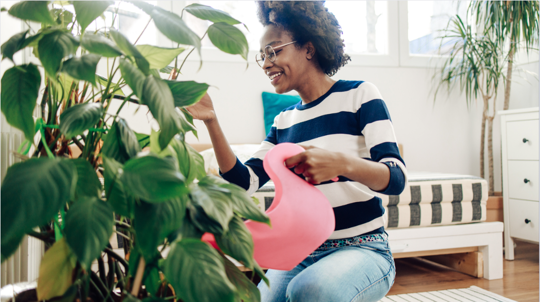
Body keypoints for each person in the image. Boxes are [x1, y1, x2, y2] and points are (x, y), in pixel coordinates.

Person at [186, 1, 407, 301]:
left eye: (274, 51)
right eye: (262, 56)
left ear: (309, 48)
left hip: (364, 247)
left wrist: (342, 164)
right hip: (302, 250)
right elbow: (244, 181)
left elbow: (396, 178)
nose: (266, 64)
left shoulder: (361, 95)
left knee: (307, 291)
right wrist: (212, 122)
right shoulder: (284, 120)